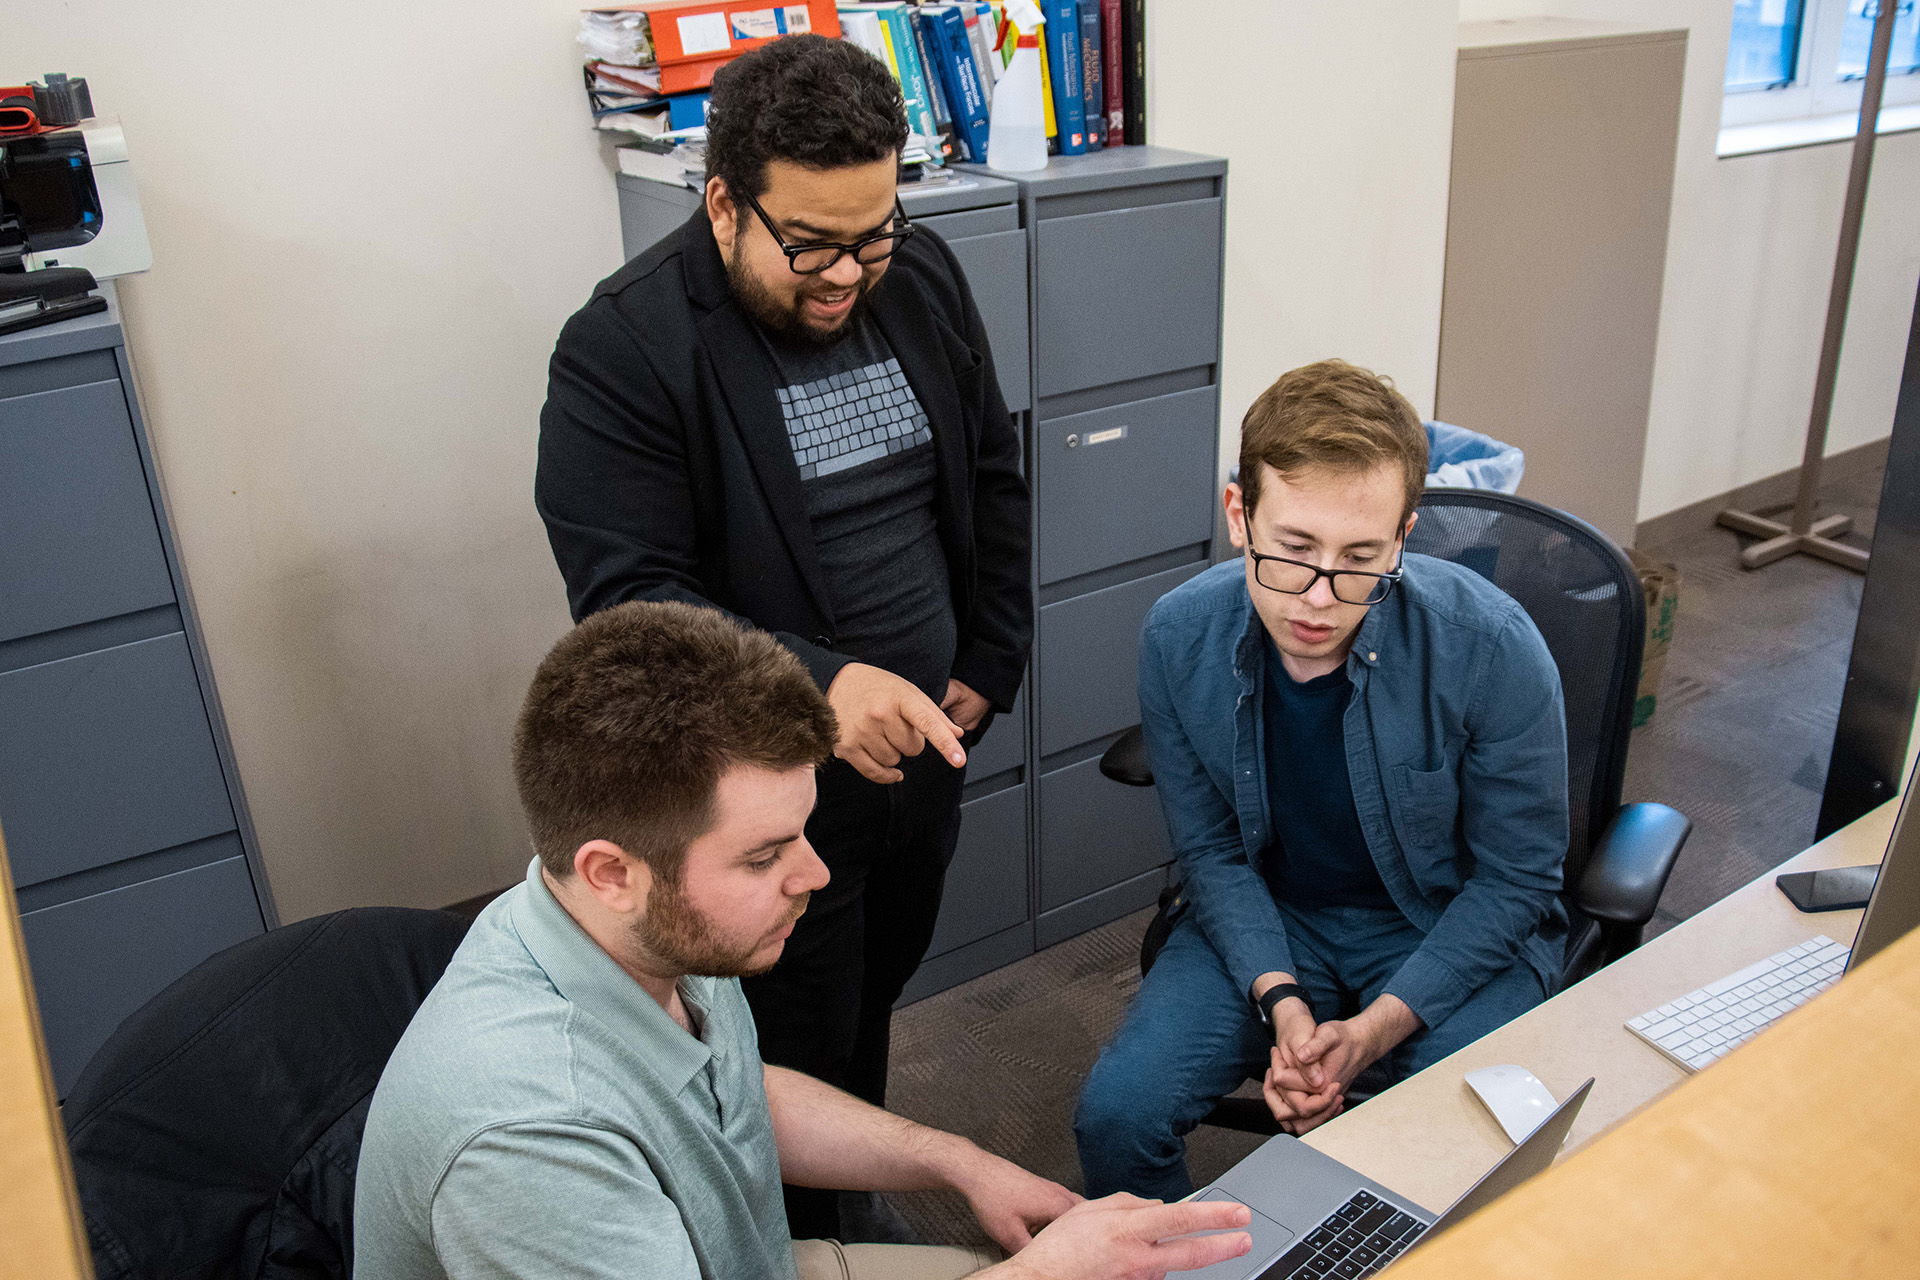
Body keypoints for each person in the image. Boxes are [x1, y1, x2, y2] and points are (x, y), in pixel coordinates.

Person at [353, 601, 1250, 1280]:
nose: (814, 876)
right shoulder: (528, 1146)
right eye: (765, 856)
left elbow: (732, 1092)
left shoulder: (633, 929)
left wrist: (958, 1161)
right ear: (611, 870)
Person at [535, 35, 1029, 1236]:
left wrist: (986, 655)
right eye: (810, 243)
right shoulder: (625, 349)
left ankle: (843, 1187)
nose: (846, 274)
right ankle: (809, 1235)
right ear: (722, 202)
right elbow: (629, 600)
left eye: (875, 232)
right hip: (769, 804)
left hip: (920, 762)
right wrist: (821, 686)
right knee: (786, 1034)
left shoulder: (921, 273)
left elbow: (989, 468)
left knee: (873, 999)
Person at [1074, 361, 1570, 1199]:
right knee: (1116, 1116)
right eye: (1293, 550)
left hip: (1445, 921)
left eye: (1360, 560)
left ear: (1405, 537)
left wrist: (1373, 1031)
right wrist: (1285, 1004)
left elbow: (1519, 878)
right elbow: (1210, 852)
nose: (1317, 599)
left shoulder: (1490, 646)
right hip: (1279, 911)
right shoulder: (1178, 637)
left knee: (1458, 1146)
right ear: (1240, 515)